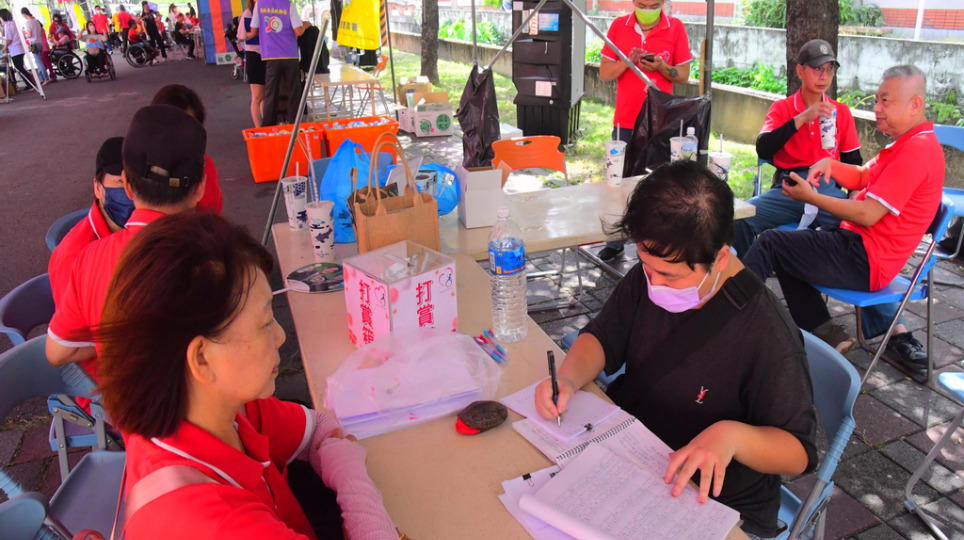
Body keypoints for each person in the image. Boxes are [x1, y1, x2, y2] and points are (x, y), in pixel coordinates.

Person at [534, 161, 817, 540]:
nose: (653, 282)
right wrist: (568, 379)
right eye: (645, 267)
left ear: (720, 257)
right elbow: (602, 337)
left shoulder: (766, 333)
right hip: (635, 454)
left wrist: (732, 437)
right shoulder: (658, 265)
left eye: (670, 276)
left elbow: (798, 452)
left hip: (712, 499)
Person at [95, 212, 399, 539]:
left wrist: (341, 460)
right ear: (202, 358)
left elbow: (320, 427)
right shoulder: (214, 525)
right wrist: (351, 473)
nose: (281, 336)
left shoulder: (215, 407)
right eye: (265, 323)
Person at [743, 65, 945, 376]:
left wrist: (812, 197)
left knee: (771, 243)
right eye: (876, 100)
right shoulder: (906, 142)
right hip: (858, 246)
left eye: (886, 101)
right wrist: (831, 164)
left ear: (915, 104)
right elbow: (863, 175)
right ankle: (825, 333)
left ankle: (733, 326)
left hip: (866, 258)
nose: (876, 108)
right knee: (789, 248)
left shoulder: (917, 150)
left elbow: (868, 214)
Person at [45, 105, 208, 378]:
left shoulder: (96, 255)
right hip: (108, 381)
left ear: (132, 188)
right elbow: (64, 349)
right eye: (116, 184)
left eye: (125, 183)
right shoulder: (77, 256)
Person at [733, 40, 862, 257]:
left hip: (827, 187)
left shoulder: (840, 111)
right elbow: (763, 149)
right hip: (790, 188)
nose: (823, 76)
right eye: (817, 69)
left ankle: (826, 271)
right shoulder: (782, 108)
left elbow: (853, 161)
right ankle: (746, 274)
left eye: (829, 69)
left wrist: (854, 194)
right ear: (800, 71)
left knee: (862, 226)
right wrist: (802, 118)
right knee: (740, 218)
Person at [596, 0, 692, 262]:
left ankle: (654, 242)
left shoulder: (675, 27)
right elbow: (605, 72)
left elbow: (683, 75)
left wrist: (661, 67)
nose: (647, 9)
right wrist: (628, 62)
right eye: (642, 3)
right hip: (625, 121)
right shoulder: (619, 26)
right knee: (617, 181)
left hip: (659, 120)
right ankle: (614, 240)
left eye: (654, 4)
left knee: (658, 183)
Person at [48, 137, 133, 304]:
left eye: (137, 183)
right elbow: (73, 319)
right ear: (98, 187)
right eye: (121, 182)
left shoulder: (147, 227)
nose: (131, 192)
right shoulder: (73, 256)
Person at [151, 84, 224, 214]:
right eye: (173, 125)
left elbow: (212, 215)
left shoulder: (205, 167)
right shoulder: (136, 166)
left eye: (190, 127)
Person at [246, 0, 310, 126]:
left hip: (271, 55)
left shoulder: (260, 5)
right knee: (293, 93)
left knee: (271, 93)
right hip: (290, 54)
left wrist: (243, 37)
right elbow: (298, 31)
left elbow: (253, 31)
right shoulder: (288, 4)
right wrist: (306, 25)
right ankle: (294, 125)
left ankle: (268, 127)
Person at [237, 0, 266, 127]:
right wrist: (254, 33)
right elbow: (241, 36)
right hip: (254, 55)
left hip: (268, 55)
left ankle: (266, 126)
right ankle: (259, 128)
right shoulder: (248, 13)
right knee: (257, 96)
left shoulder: (268, 11)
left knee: (265, 95)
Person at [1, 9, 30, 91]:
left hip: (16, 49)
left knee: (19, 67)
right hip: (18, 48)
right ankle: (29, 83)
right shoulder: (13, 23)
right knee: (20, 67)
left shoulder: (8, 25)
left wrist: (4, 48)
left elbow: (9, 39)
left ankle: (29, 84)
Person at [21, 8, 51, 85]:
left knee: (39, 62)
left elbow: (29, 34)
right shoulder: (36, 21)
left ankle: (46, 78)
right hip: (40, 42)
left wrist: (24, 36)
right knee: (38, 61)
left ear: (24, 14)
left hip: (34, 43)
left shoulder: (28, 23)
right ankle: (41, 78)